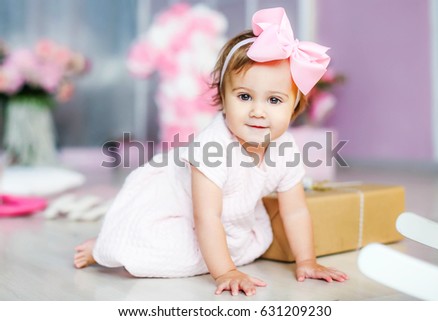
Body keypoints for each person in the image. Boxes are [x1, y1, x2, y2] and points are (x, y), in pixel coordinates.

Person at [74, 7, 348, 296]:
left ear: (294, 106)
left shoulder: (286, 149)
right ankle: (107, 247)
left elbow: (294, 211)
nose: (258, 111)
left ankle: (126, 247)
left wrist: (307, 261)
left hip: (223, 216)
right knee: (161, 251)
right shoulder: (213, 147)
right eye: (244, 96)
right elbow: (206, 217)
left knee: (251, 243)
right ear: (223, 97)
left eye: (274, 100)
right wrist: (225, 271)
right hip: (174, 207)